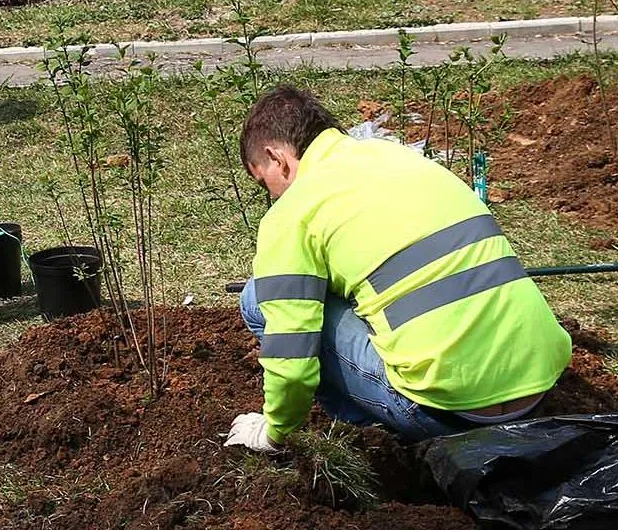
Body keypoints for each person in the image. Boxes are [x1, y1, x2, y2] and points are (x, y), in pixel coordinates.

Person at [223, 86, 572, 452]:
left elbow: (292, 358)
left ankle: (371, 437)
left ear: (275, 157)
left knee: (257, 297)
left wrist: (275, 433)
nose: (274, 195)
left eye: (265, 182)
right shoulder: (399, 158)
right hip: (539, 385)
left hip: (447, 413)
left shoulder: (295, 209)